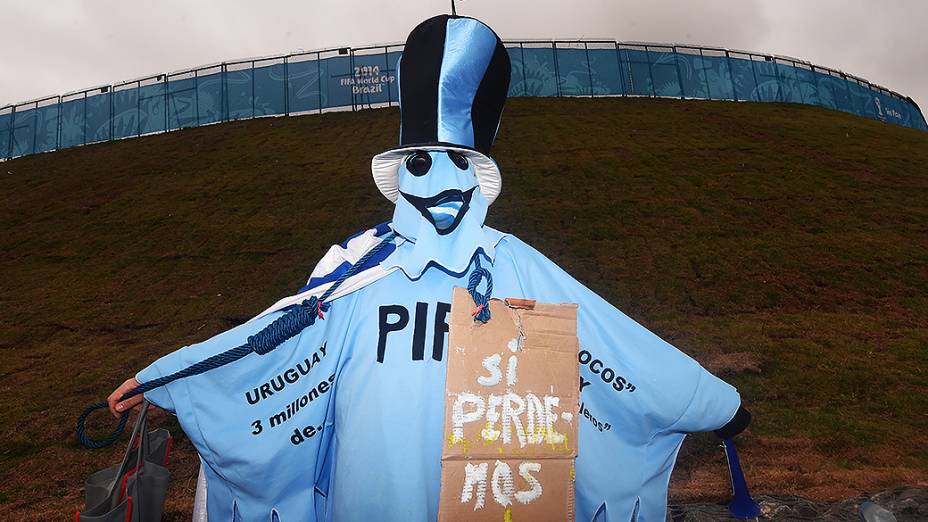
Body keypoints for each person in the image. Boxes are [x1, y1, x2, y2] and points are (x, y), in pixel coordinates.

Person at [109, 14, 749, 522]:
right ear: (398, 176)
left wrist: (716, 404)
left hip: (489, 496)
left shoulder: (515, 266)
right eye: (421, 163)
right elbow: (275, 342)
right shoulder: (355, 269)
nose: (441, 181)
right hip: (372, 491)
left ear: (481, 177)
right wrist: (168, 377)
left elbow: (612, 345)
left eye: (458, 164)